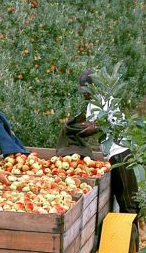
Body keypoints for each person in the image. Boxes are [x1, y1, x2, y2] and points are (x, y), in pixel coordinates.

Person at [59, 70, 139, 215]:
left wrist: (87, 129)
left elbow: (101, 125)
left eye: (87, 91)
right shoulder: (92, 104)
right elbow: (91, 124)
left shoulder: (106, 101)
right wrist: (75, 126)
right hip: (112, 156)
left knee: (128, 201)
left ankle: (132, 229)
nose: (85, 95)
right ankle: (127, 226)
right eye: (83, 92)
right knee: (122, 197)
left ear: (95, 87)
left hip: (120, 153)